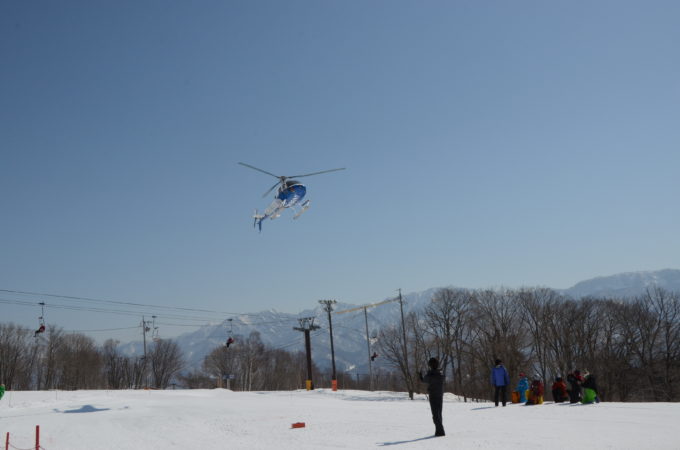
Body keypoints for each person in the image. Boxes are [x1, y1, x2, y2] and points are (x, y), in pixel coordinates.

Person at [419, 357, 445, 437]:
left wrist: (420, 375)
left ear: (430, 365)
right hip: (440, 395)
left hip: (433, 395)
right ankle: (439, 430)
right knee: (439, 413)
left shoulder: (430, 374)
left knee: (435, 414)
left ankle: (440, 431)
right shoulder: (440, 373)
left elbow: (424, 380)